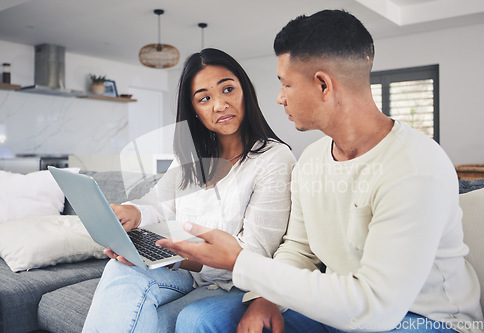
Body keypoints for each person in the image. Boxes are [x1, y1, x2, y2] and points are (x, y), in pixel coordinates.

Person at [158, 10, 484, 333]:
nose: (280, 98)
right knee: (201, 319)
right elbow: (299, 248)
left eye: (286, 84)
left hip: (420, 317)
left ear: (323, 85)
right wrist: (266, 298)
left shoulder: (415, 166)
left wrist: (240, 262)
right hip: (340, 306)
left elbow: (375, 309)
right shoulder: (312, 160)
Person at [82, 48, 296, 332]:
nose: (219, 105)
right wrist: (132, 212)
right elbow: (161, 204)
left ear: (245, 92)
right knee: (121, 269)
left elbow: (253, 255)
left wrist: (179, 257)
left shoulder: (274, 159)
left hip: (232, 286)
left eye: (228, 89)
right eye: (204, 98)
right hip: (187, 273)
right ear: (194, 110)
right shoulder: (191, 157)